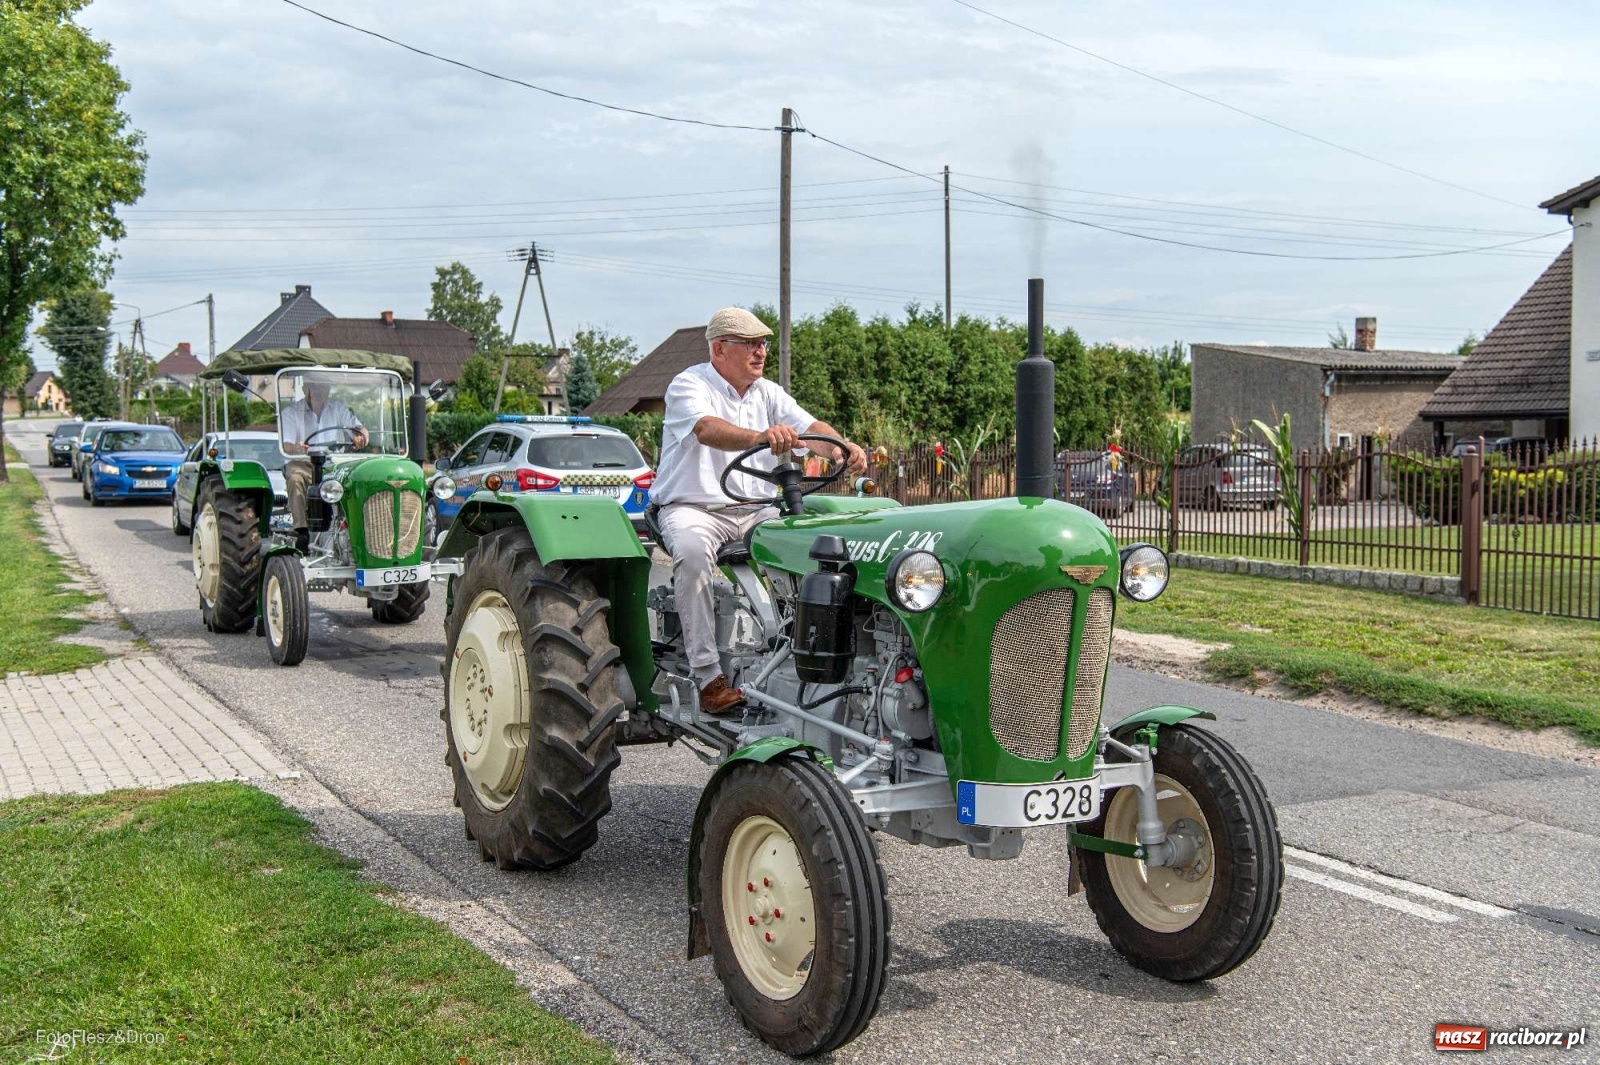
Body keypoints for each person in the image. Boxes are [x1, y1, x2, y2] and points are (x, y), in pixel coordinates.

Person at [653, 307, 867, 714]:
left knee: (812, 549)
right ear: (720, 349)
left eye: (764, 343)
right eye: (750, 344)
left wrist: (844, 446)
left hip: (755, 510)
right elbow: (706, 429)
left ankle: (797, 652)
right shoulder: (689, 384)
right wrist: (762, 438)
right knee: (693, 553)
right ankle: (708, 677)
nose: (760, 352)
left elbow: (811, 429)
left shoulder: (766, 392)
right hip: (694, 507)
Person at [280, 376, 367, 545]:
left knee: (357, 479)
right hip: (303, 463)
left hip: (333, 464)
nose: (318, 391)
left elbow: (358, 428)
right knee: (295, 478)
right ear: (305, 389)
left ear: (328, 389)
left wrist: (361, 436)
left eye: (322, 387)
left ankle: (357, 529)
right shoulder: (291, 412)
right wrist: (296, 447)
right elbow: (287, 445)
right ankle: (301, 531)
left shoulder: (338, 408)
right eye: (314, 387)